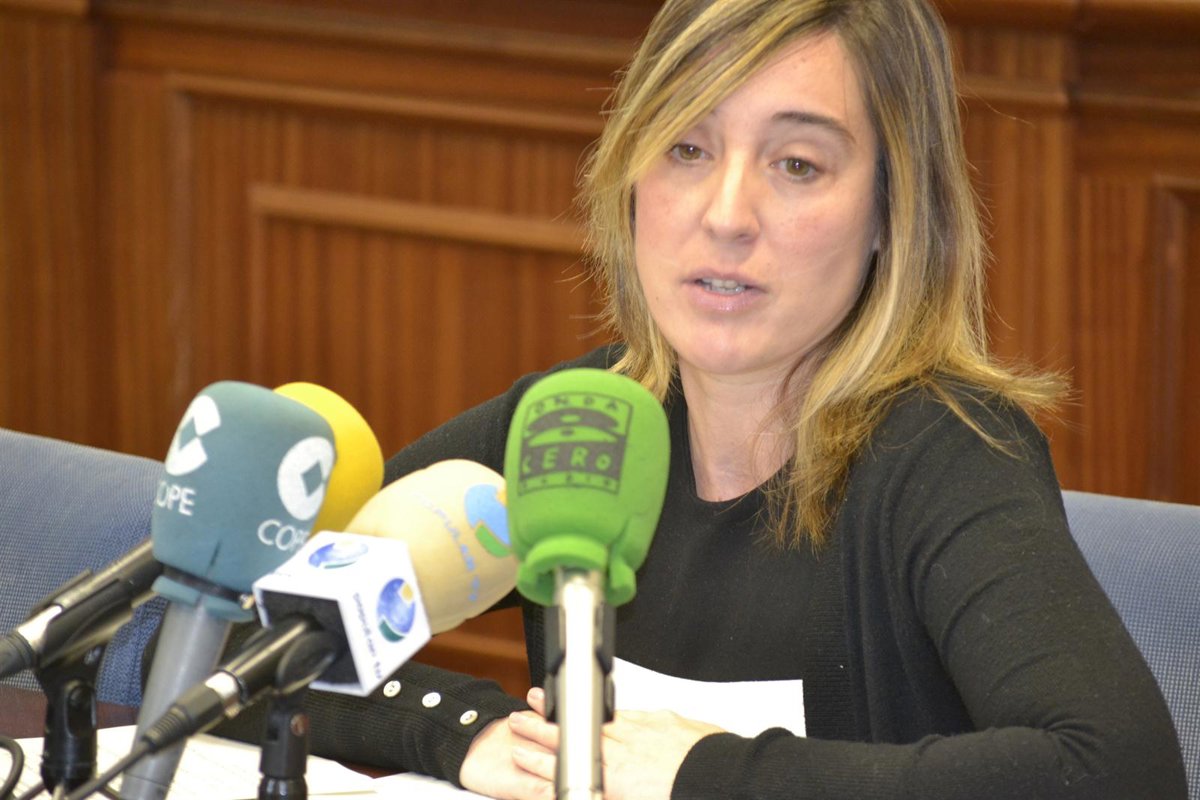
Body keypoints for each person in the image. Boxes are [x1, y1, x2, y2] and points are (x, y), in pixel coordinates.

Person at [216, 0, 1187, 797]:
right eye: (686, 147)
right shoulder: (577, 428)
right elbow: (237, 641)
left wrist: (704, 774)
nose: (726, 215)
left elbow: (1115, 769)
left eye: (797, 164)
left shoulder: (945, 453)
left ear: (893, 212)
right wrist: (463, 731)